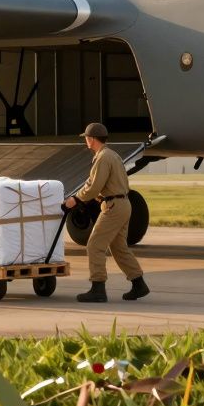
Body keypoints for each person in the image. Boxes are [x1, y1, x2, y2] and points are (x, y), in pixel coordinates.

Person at [63, 122, 149, 302]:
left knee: (94, 245)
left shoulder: (102, 157)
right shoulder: (113, 155)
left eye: (86, 138)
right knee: (119, 247)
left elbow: (94, 186)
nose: (85, 141)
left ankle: (98, 288)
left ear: (92, 139)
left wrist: (75, 199)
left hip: (113, 206)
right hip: (123, 204)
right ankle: (138, 284)